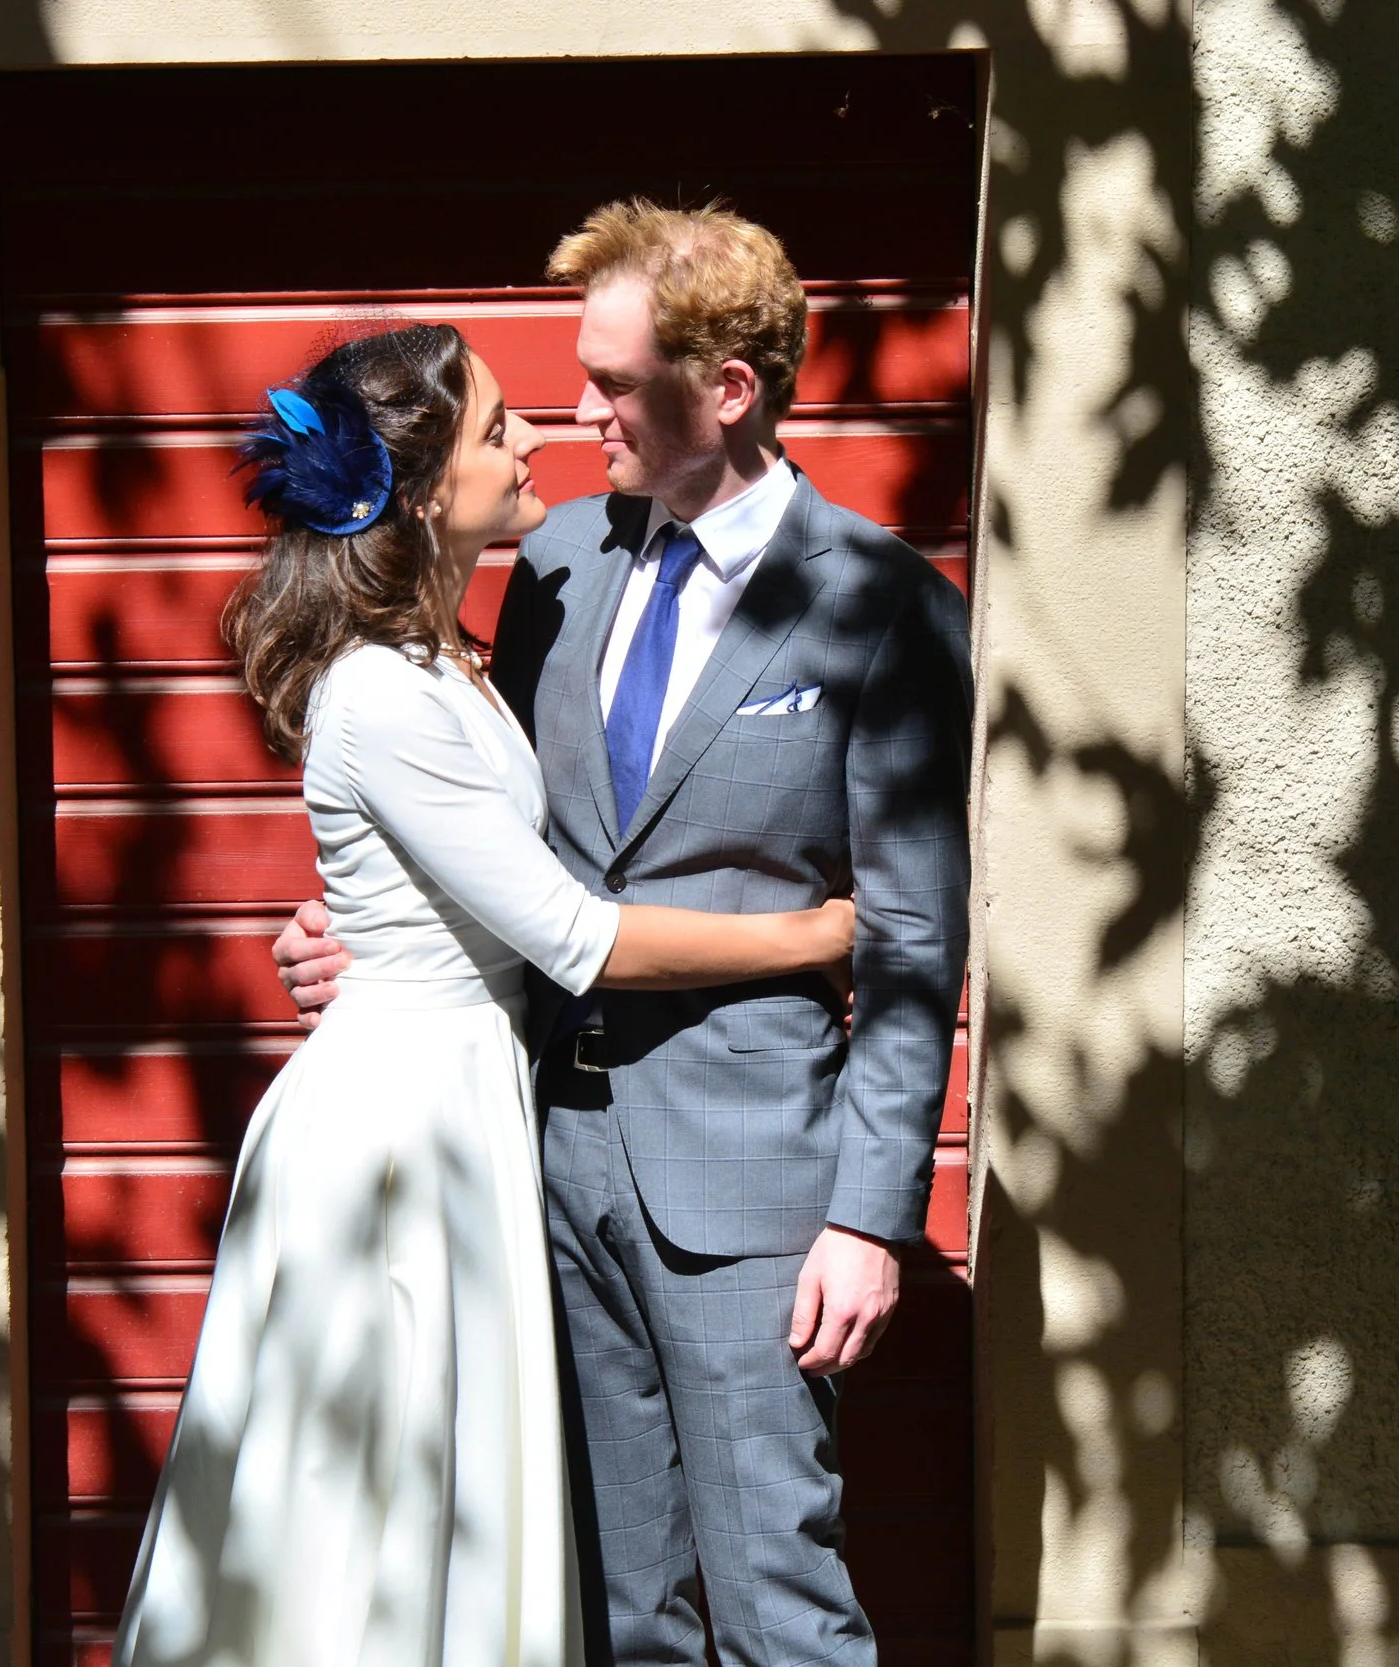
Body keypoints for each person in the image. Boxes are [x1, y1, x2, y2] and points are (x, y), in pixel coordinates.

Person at [274, 202, 973, 1667]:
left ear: (726, 387)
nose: (574, 409)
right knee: (613, 1614)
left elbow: (911, 933)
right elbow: (501, 846)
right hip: (543, 1165)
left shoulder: (883, 606)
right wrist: (379, 938)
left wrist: (870, 1212)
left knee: (780, 1606)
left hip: (750, 1189)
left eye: (609, 380)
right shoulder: (562, 563)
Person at [111, 323, 865, 1667]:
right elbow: (572, 930)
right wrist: (813, 936)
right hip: (399, 1142)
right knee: (377, 1517)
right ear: (416, 493)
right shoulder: (381, 692)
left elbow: (500, 875)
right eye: (499, 427)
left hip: (471, 1100)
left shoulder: (468, 646)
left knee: (455, 1501)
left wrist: (373, 934)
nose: (536, 440)